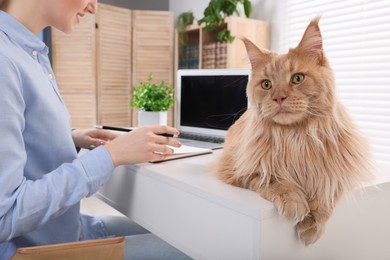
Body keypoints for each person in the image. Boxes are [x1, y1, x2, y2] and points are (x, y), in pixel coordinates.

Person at [0, 0, 191, 259]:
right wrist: (110, 156)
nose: (94, 7)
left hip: (68, 229)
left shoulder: (29, 52)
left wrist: (71, 138)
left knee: (179, 234)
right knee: (195, 251)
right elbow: (6, 215)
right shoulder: (5, 61)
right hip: (37, 251)